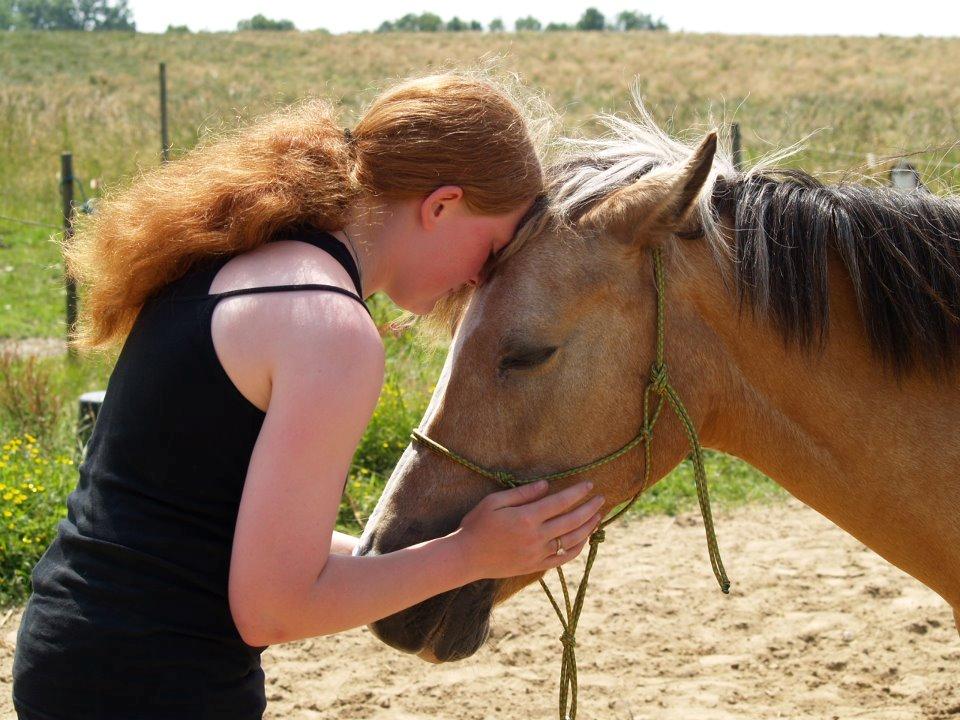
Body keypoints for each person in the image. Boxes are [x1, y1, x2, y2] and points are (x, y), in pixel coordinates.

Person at [11, 71, 604, 720]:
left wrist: (457, 548)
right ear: (441, 205)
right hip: (158, 687)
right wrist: (468, 555)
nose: (478, 280)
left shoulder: (238, 260)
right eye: (489, 251)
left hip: (75, 655)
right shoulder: (329, 329)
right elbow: (272, 606)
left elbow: (208, 529)